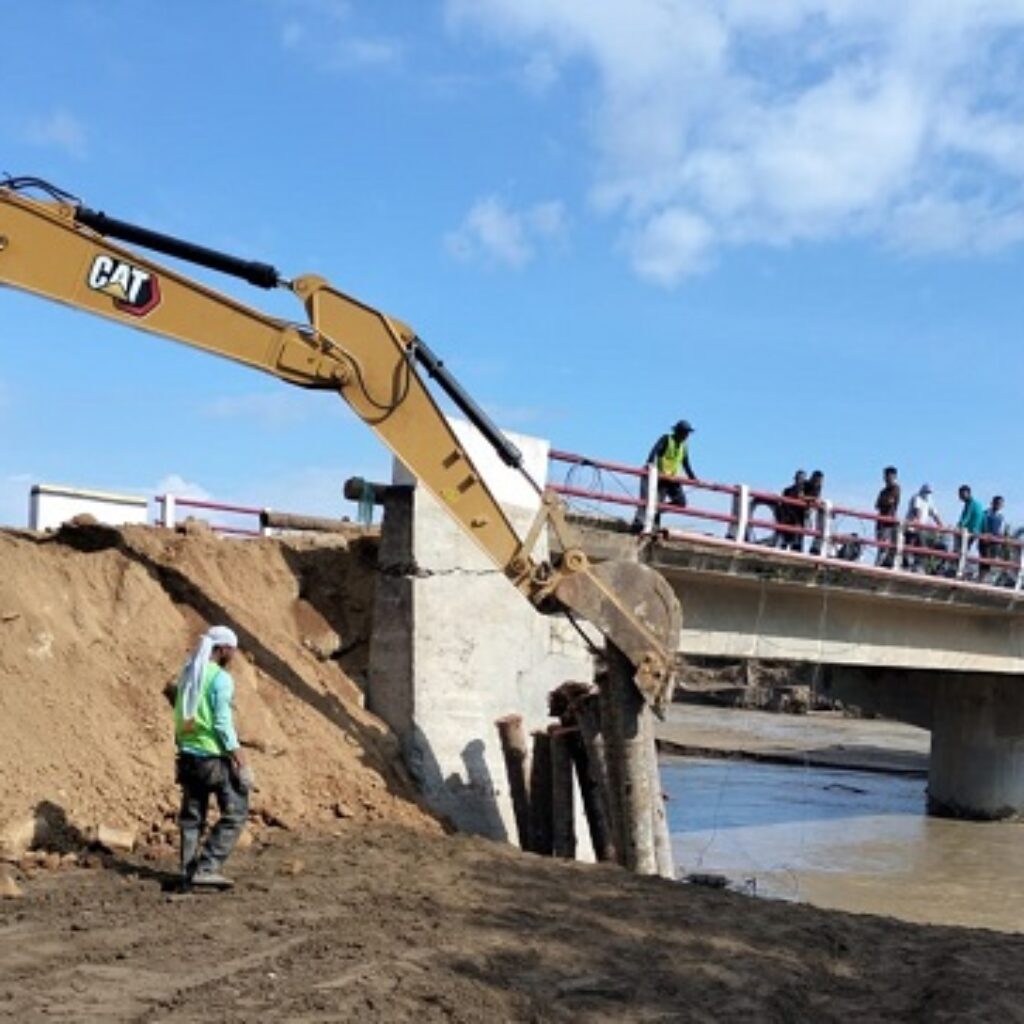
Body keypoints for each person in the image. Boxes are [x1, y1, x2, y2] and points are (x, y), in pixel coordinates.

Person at [173, 625, 252, 890]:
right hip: (213, 759)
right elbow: (221, 724)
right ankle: (208, 867)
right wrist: (241, 759)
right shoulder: (220, 679)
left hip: (187, 756)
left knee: (192, 817)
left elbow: (180, 715)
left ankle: (187, 874)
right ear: (224, 649)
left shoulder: (188, 674)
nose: (234, 655)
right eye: (233, 650)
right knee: (236, 812)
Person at [631, 420, 696, 532]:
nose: (687, 436)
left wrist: (693, 478)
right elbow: (654, 451)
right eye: (685, 433)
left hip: (671, 478)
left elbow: (686, 463)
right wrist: (650, 465)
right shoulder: (666, 439)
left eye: (688, 433)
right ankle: (644, 525)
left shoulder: (683, 446)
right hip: (659, 476)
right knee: (652, 501)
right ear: (678, 432)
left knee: (681, 502)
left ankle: (654, 513)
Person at [903, 483, 944, 571]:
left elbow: (935, 514)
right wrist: (917, 521)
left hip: (921, 528)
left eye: (929, 492)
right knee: (909, 545)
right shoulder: (917, 497)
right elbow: (917, 511)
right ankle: (906, 565)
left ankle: (917, 566)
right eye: (926, 492)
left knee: (920, 547)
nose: (927, 494)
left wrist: (941, 525)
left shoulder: (929, 500)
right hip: (912, 527)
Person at [874, 466, 901, 567]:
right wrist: (884, 503)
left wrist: (884, 503)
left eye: (888, 476)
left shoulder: (896, 488)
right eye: (885, 476)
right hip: (880, 522)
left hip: (889, 523)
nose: (886, 478)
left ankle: (879, 567)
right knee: (881, 546)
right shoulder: (883, 491)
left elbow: (889, 502)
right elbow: (877, 505)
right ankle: (878, 566)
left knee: (886, 548)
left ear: (894, 476)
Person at [776, 470, 807, 552]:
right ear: (795, 479)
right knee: (784, 542)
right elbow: (782, 504)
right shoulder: (787, 490)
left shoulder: (807, 493)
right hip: (788, 519)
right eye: (798, 478)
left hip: (799, 520)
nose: (800, 481)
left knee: (797, 545)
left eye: (802, 479)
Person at [956, 485, 985, 567]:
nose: (960, 496)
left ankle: (960, 570)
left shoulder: (970, 504)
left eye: (962, 494)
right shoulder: (977, 503)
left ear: (968, 493)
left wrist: (959, 526)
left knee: (961, 551)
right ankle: (962, 568)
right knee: (966, 551)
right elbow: (983, 518)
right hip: (976, 531)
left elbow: (966, 517)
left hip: (970, 531)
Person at [978, 496, 1006, 581]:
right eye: (997, 503)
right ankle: (981, 579)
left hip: (995, 542)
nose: (999, 505)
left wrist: (1000, 540)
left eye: (1001, 504)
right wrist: (984, 535)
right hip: (985, 541)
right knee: (984, 560)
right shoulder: (985, 513)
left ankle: (986, 580)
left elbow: (1001, 530)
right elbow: (981, 525)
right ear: (992, 503)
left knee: (992, 561)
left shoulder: (1001, 517)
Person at [804, 470, 826, 555]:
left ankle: (814, 549)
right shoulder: (806, 485)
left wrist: (817, 502)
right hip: (802, 509)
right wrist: (812, 500)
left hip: (810, 509)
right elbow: (801, 496)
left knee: (817, 529)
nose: (819, 482)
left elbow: (817, 498)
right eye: (818, 480)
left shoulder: (818, 487)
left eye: (820, 480)